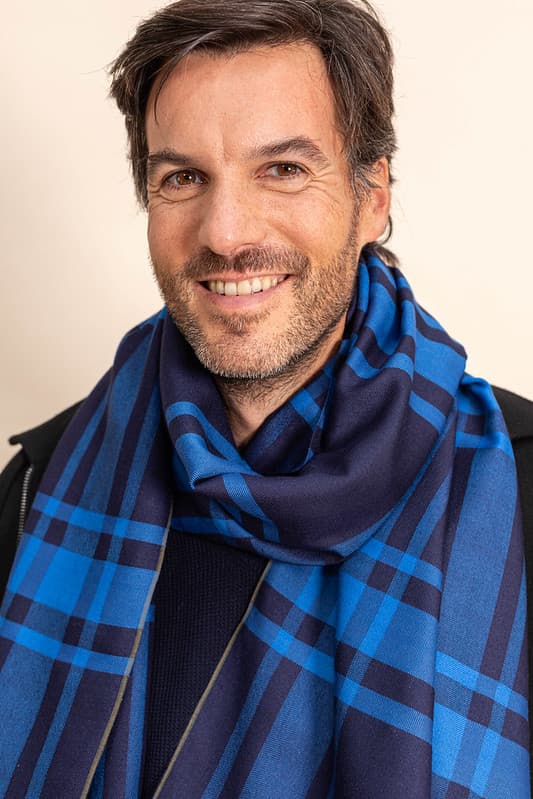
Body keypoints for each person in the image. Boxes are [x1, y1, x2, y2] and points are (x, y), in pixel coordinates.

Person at [0, 1, 532, 797]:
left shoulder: (517, 486)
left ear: (372, 196)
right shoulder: (40, 490)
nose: (224, 233)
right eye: (182, 177)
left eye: (282, 169)